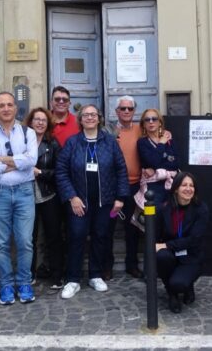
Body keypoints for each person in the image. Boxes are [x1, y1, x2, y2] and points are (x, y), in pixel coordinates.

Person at [56, 104, 129, 299]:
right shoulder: (72, 143)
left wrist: (120, 198)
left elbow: (121, 169)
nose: (89, 117)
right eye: (85, 115)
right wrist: (72, 197)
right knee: (76, 237)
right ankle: (73, 279)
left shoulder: (110, 142)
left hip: (105, 202)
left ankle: (95, 275)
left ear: (99, 119)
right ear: (80, 120)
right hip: (79, 202)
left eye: (93, 115)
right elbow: (61, 171)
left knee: (101, 236)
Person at [0, 92, 38, 305]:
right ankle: (5, 285)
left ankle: (23, 283)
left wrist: (0, 159)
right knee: (1, 243)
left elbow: (32, 160)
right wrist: (16, 163)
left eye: (9, 105)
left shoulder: (27, 132)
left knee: (25, 241)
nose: (5, 109)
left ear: (15, 108)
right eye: (1, 105)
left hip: (24, 192)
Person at [155, 172, 209, 314]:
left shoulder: (201, 209)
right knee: (161, 256)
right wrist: (160, 248)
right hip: (171, 256)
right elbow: (155, 236)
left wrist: (167, 245)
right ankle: (172, 295)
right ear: (176, 189)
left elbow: (194, 240)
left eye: (191, 186)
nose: (188, 188)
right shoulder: (163, 209)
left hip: (191, 256)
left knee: (179, 283)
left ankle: (187, 286)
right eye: (184, 185)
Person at [24, 107, 65, 289]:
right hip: (26, 196)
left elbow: (59, 171)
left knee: (53, 236)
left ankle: (57, 275)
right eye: (36, 119)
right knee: (28, 237)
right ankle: (29, 273)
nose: (40, 122)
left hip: (49, 194)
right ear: (30, 122)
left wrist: (40, 172)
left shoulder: (53, 144)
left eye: (43, 120)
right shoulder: (22, 142)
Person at [105, 95, 145, 280]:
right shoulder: (109, 132)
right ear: (117, 111)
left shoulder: (141, 129)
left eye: (130, 108)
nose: (126, 111)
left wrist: (165, 134)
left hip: (135, 188)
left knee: (132, 228)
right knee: (109, 225)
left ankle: (132, 265)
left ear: (134, 111)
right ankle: (107, 266)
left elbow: (158, 134)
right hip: (114, 190)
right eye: (123, 109)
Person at [137, 108, 179, 207]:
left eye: (154, 119)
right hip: (152, 188)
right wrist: (161, 143)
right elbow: (153, 161)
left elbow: (176, 164)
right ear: (143, 124)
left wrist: (154, 169)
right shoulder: (142, 142)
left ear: (160, 122)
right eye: (147, 120)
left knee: (169, 217)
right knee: (151, 216)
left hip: (170, 185)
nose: (151, 122)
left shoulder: (170, 141)